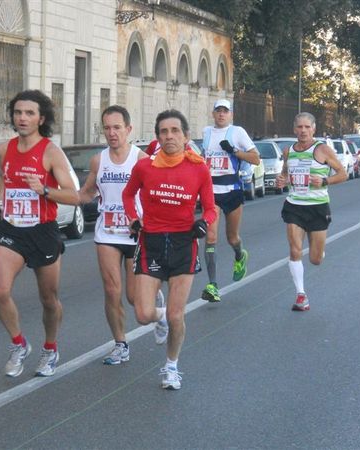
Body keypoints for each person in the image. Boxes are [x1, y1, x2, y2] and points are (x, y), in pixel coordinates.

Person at [0, 90, 80, 377]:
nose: (22, 118)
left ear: (41, 118)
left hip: (43, 231)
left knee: (48, 299)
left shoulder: (51, 152)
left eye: (29, 113)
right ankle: (18, 344)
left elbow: (74, 196)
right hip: (12, 229)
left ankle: (50, 348)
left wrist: (45, 190)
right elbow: (4, 178)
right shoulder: (5, 149)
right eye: (18, 112)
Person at [122, 109, 216, 390]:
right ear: (158, 137)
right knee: (141, 314)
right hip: (150, 242)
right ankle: (159, 315)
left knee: (178, 316)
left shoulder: (199, 168)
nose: (169, 136)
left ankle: (171, 367)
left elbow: (210, 207)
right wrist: (133, 218)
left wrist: (204, 223)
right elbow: (128, 194)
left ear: (186, 136)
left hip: (183, 244)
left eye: (175, 131)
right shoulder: (145, 167)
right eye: (164, 131)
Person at [78, 105, 167, 366]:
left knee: (133, 298)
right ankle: (120, 345)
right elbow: (86, 193)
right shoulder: (99, 160)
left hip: (136, 234)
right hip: (107, 233)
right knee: (111, 291)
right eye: (107, 128)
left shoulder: (142, 160)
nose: (111, 133)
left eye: (117, 127)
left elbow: (156, 195)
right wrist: (52, 195)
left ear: (128, 129)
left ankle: (159, 311)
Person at [275, 112, 347, 311]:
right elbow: (285, 173)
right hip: (294, 205)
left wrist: (325, 181)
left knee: (315, 259)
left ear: (313, 129)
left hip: (317, 207)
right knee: (294, 249)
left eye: (307, 127)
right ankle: (301, 295)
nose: (303, 131)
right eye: (299, 127)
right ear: (294, 129)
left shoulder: (322, 149)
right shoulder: (289, 151)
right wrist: (281, 180)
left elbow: (343, 174)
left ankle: (318, 249)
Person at [199, 99, 260, 303]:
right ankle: (213, 285)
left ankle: (239, 255)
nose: (221, 114)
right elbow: (202, 158)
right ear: (213, 113)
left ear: (231, 114)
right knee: (211, 237)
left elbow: (256, 158)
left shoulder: (237, 132)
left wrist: (234, 151)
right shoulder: (206, 132)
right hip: (211, 192)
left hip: (233, 190)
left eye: (225, 111)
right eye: (218, 111)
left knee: (232, 238)